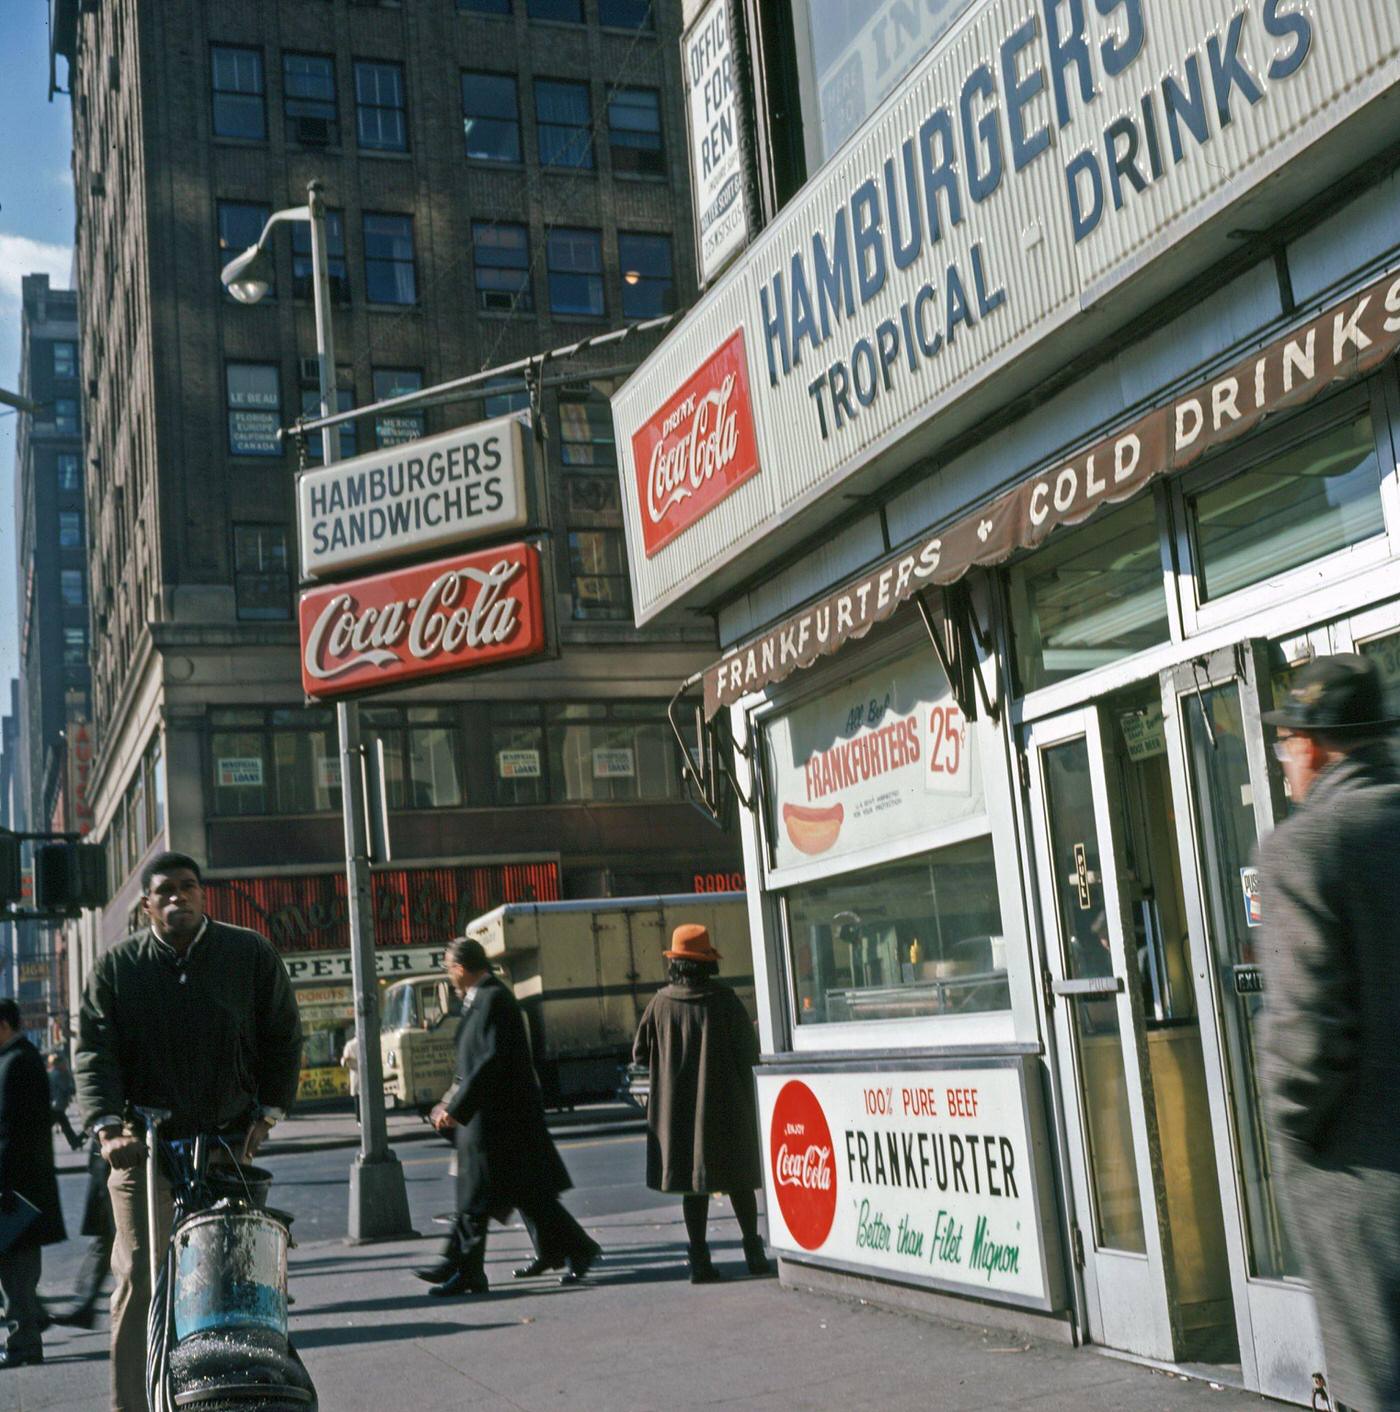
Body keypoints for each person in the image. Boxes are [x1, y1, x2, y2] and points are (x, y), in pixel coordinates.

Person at [75, 850, 303, 1412]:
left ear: (204, 895)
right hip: (144, 1145)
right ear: (147, 905)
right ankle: (133, 1403)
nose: (178, 897)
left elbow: (283, 1034)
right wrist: (108, 1131)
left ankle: (241, 1394)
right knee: (138, 1276)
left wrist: (268, 1114)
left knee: (239, 1279)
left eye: (188, 887)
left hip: (227, 1140)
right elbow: (94, 1053)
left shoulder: (246, 953)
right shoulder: (117, 967)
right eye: (166, 891)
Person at [1256, 654, 1400, 1412]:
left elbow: (1307, 1038)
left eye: (1287, 744)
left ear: (1312, 745)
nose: (1284, 761)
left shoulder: (1304, 849)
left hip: (1361, 1193)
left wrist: (1292, 1133)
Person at [415, 936, 599, 1296]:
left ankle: (468, 1270)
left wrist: (456, 1109)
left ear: (460, 968)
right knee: (518, 1197)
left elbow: (489, 1062)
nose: (450, 977)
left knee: (482, 1198)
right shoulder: (481, 999)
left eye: (450, 969)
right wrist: (450, 1104)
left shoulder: (493, 999)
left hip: (498, 1120)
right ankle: (568, 1250)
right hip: (492, 1119)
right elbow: (470, 1066)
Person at [632, 924, 771, 1283]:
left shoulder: (660, 1004)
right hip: (726, 1106)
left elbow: (639, 1053)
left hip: (679, 1111)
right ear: (708, 963)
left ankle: (699, 1262)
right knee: (740, 1180)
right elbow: (749, 1052)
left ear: (675, 964)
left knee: (695, 1187)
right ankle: (754, 1254)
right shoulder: (725, 1001)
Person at [0, 998, 66, 1366]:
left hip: (16, 1191)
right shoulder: (16, 1058)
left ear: (5, 1025)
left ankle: (24, 1344)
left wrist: (4, 1185)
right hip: (19, 1188)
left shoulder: (19, 1062)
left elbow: (13, 1134)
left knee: (16, 1273)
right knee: (17, 1272)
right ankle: (32, 1323)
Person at [49, 1136, 113, 1331]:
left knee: (112, 1237)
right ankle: (85, 1303)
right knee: (107, 1237)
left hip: (117, 1153)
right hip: (109, 1152)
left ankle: (85, 1303)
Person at [46, 1053, 83, 1152]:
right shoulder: (58, 1074)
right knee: (61, 1125)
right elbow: (66, 1088)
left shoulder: (52, 1073)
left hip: (55, 1105)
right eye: (63, 1063)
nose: (65, 1065)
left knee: (65, 1125)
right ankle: (75, 1142)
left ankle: (74, 1142)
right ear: (58, 1063)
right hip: (57, 1105)